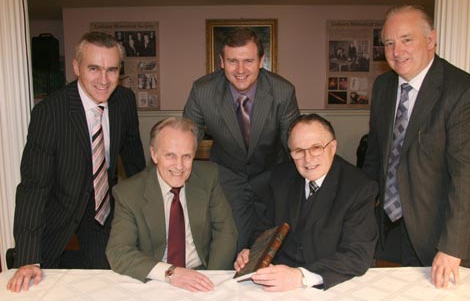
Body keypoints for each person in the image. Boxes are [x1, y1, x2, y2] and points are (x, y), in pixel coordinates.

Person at [362, 5, 470, 289]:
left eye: (406, 39)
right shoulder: (383, 87)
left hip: (444, 234)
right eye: (389, 42)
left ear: (431, 40)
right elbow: (375, 157)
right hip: (390, 228)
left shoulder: (465, 93)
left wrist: (452, 247)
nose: (397, 51)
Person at [7, 31, 146, 292]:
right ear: (76, 67)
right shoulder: (50, 113)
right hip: (57, 210)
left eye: (112, 70)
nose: (103, 80)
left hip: (101, 211)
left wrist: (148, 218)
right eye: (94, 68)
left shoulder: (124, 102)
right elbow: (33, 188)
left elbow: (135, 163)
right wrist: (27, 258)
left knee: (110, 282)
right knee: (39, 285)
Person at [183, 28, 300, 251]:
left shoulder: (283, 91)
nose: (240, 70)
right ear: (221, 62)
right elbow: (187, 137)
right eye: (232, 61)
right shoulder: (202, 91)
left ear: (261, 61)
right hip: (227, 175)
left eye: (248, 61)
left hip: (271, 173)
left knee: (273, 246)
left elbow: (293, 142)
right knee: (231, 244)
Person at [234, 114, 378, 291]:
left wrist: (301, 276)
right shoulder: (280, 176)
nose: (308, 159)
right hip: (277, 279)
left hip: (329, 283)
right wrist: (251, 252)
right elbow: (265, 228)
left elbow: (357, 255)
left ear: (333, 147)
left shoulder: (359, 187)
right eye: (298, 151)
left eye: (316, 148)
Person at [106, 117, 237, 292]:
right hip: (156, 279)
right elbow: (118, 251)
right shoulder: (129, 193)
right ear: (154, 154)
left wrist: (209, 279)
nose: (179, 166)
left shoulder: (208, 177)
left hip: (203, 274)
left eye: (187, 156)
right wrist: (170, 273)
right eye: (170, 155)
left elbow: (225, 231)